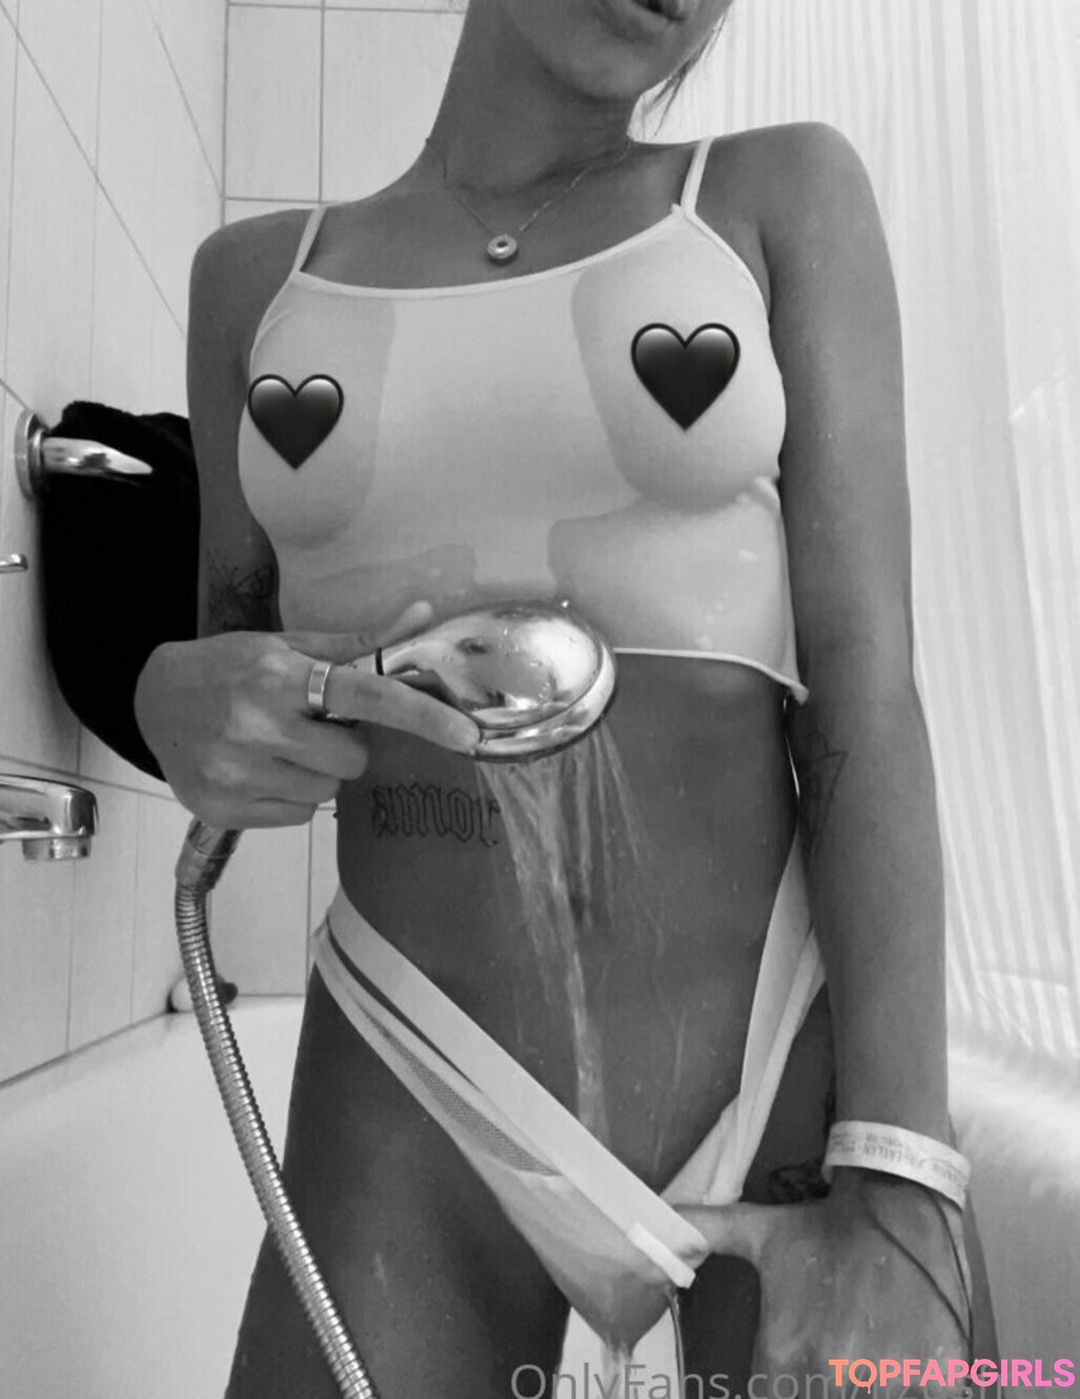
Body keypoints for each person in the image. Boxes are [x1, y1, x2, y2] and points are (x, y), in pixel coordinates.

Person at [135, 0, 998, 1393]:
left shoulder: (775, 197)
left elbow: (867, 689)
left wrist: (903, 1178)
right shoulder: (257, 283)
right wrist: (172, 700)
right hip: (408, 1068)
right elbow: (238, 664)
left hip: (768, 1061)